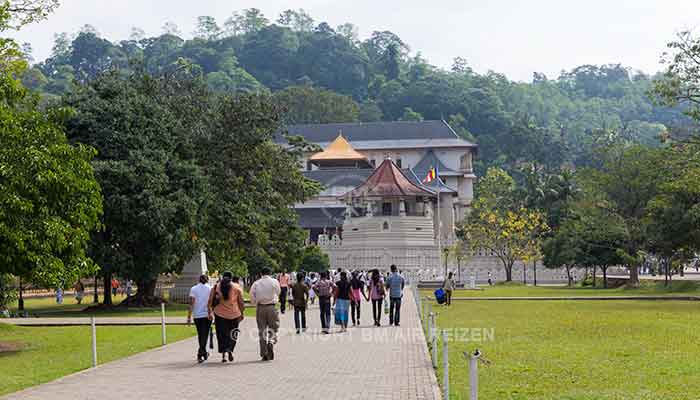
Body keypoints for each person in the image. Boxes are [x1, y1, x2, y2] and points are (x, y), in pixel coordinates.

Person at [208, 271, 245, 363]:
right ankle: (230, 350)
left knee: (222, 335)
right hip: (234, 314)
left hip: (220, 315)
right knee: (233, 333)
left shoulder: (216, 287)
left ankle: (224, 354)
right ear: (231, 278)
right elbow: (241, 302)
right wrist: (242, 313)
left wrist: (209, 313)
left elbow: (209, 302)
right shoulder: (236, 287)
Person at [250, 267, 281, 361]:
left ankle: (264, 353)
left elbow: (252, 295)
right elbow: (278, 292)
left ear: (261, 273)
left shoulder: (256, 283)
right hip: (272, 307)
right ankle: (271, 341)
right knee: (274, 328)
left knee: (262, 331)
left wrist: (255, 303)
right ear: (270, 273)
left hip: (261, 308)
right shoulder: (274, 282)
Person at [188, 274, 212, 363]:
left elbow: (191, 303)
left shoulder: (193, 289)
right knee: (205, 334)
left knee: (201, 334)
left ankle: (202, 352)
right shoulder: (210, 288)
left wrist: (189, 316)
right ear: (207, 280)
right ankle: (202, 352)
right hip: (207, 314)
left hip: (197, 315)